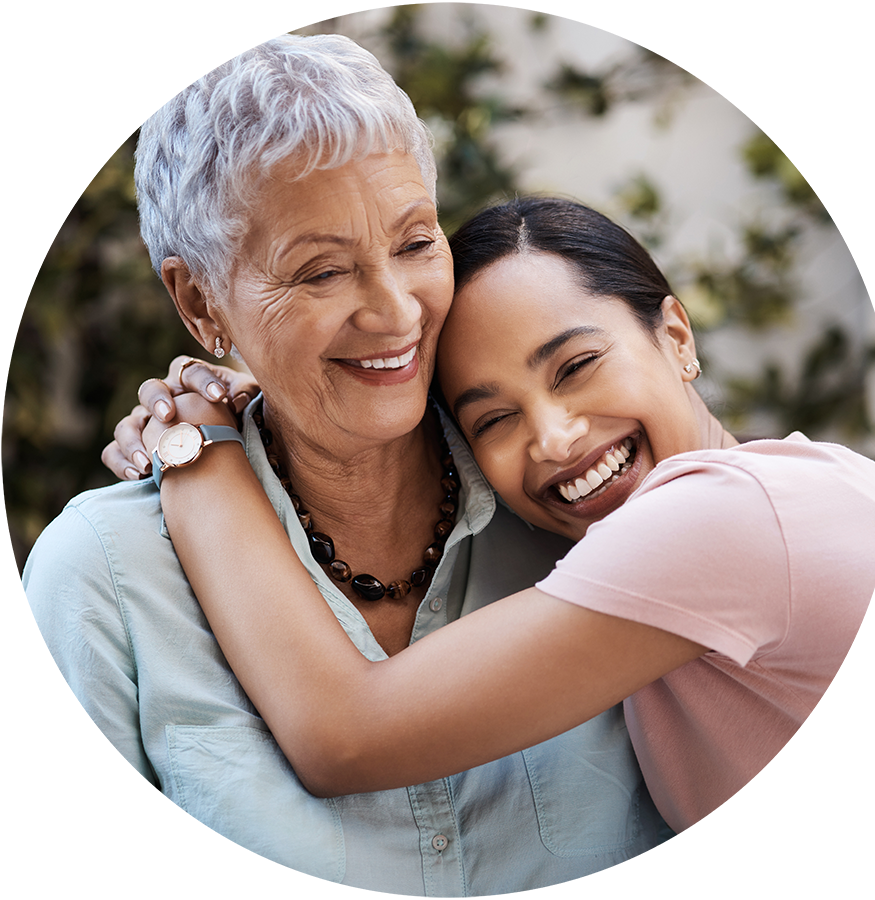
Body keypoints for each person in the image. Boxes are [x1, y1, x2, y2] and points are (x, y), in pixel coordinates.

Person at [22, 37, 690, 898]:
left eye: (416, 243)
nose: (394, 311)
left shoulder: (572, 494)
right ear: (199, 302)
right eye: (322, 271)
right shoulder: (105, 583)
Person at [110, 197, 875, 882]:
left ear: (677, 336)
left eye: (576, 365)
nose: (554, 440)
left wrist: (199, 450)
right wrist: (290, 400)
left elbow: (344, 737)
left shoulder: (727, 519)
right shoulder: (781, 491)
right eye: (493, 419)